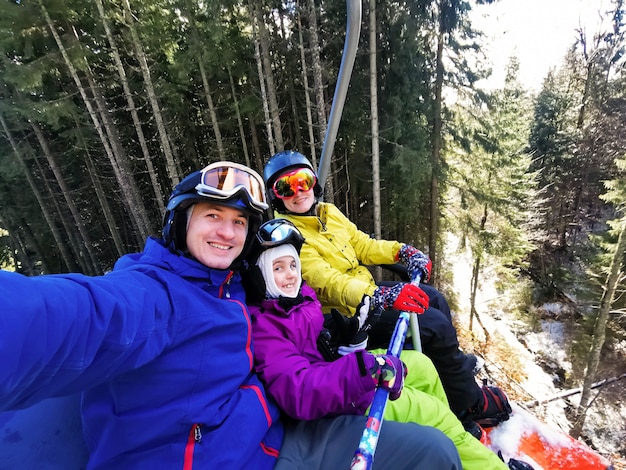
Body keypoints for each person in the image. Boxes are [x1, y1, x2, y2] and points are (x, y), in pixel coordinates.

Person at [0, 161, 463, 469]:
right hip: (243, 455)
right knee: (431, 453)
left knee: (426, 418)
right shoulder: (154, 295)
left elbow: (299, 305)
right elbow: (67, 316)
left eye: (239, 222)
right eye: (212, 216)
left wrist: (345, 335)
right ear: (182, 223)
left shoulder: (238, 284)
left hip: (278, 426)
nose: (227, 232)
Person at [245, 218, 528, 470]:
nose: (291, 274)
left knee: (421, 365)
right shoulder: (267, 327)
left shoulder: (301, 298)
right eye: (278, 268)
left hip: (337, 375)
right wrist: (362, 363)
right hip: (337, 400)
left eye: (293, 265)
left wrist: (348, 344)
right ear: (260, 277)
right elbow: (300, 386)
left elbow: (364, 244)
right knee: (430, 410)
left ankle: (459, 439)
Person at [262, 150, 512, 432]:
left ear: (314, 183)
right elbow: (327, 282)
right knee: (432, 325)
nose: (297, 192)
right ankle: (469, 405)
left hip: (368, 292)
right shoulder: (287, 234)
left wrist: (401, 251)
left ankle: (451, 375)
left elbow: (363, 245)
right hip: (345, 315)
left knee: (434, 299)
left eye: (303, 181)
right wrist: (380, 297)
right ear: (276, 196)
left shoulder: (327, 213)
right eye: (285, 186)